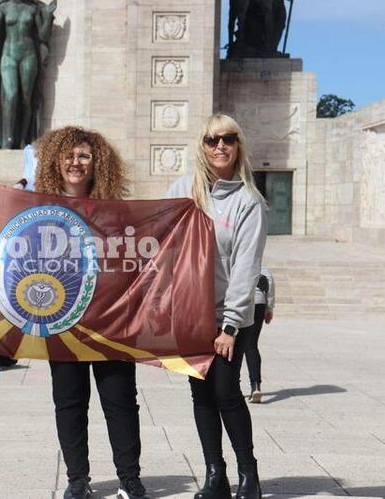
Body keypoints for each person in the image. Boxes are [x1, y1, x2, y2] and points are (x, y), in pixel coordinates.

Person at [34, 126, 149, 499]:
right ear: (55, 160)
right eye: (69, 155)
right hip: (62, 320)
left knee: (120, 401)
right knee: (69, 402)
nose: (76, 162)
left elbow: (135, 261)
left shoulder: (116, 211)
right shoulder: (37, 209)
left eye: (84, 155)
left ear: (97, 163)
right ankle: (77, 479)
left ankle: (129, 478)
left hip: (109, 320)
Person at [166, 113, 267, 499]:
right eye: (212, 140)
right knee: (201, 393)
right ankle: (215, 475)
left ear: (238, 145)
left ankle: (249, 475)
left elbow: (246, 267)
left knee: (226, 391)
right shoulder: (183, 191)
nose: (219, 145)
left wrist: (230, 326)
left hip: (230, 315)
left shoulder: (248, 201)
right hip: (191, 314)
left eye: (227, 139)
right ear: (202, 146)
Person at [0, 0, 57, 149]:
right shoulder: (4, 8)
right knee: (11, 96)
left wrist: (49, 17)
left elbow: (43, 36)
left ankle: (25, 138)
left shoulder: (32, 9)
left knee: (26, 98)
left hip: (29, 55)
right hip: (9, 55)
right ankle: (10, 137)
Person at [243, 265, 275, 403]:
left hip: (242, 303)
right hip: (260, 303)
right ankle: (255, 385)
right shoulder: (264, 268)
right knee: (251, 345)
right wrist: (269, 308)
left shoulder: (239, 262)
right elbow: (270, 287)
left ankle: (232, 385)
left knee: (236, 344)